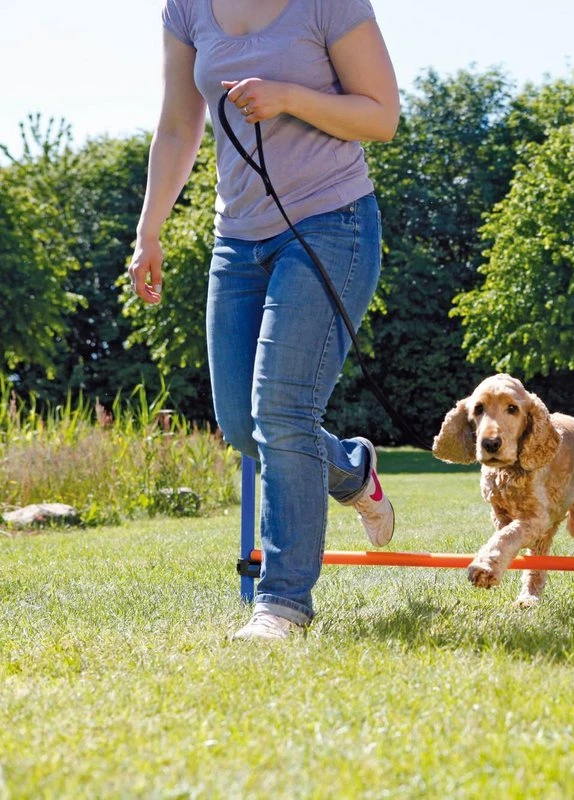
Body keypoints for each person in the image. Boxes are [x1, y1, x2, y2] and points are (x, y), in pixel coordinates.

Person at [128, 0, 401, 640]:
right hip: (238, 240)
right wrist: (150, 230)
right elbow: (176, 126)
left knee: (281, 408)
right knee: (242, 424)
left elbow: (381, 115)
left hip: (331, 224)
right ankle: (353, 470)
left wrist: (288, 96)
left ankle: (281, 605)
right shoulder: (186, 9)